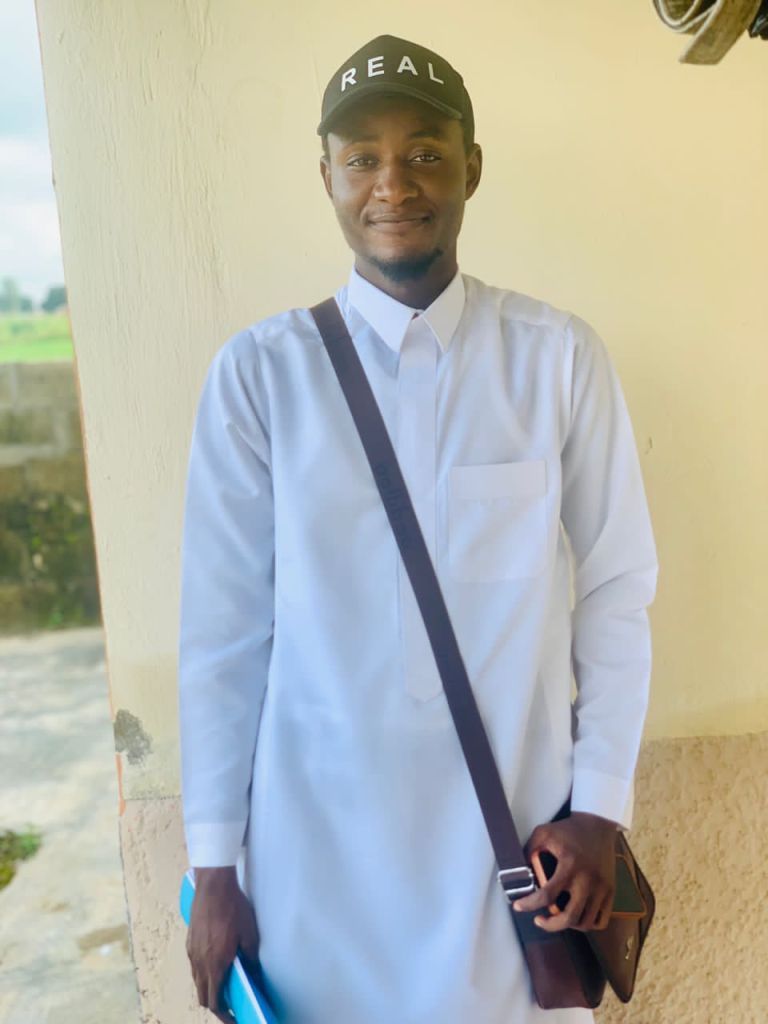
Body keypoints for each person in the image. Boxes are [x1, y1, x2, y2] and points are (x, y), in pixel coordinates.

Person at [178, 33, 659, 1024]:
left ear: (472, 167)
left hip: (510, 868)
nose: (392, 184)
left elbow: (618, 589)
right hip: (314, 878)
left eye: (425, 152)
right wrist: (214, 867)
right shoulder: (260, 377)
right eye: (362, 157)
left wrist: (601, 807)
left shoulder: (556, 359)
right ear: (325, 175)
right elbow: (222, 633)